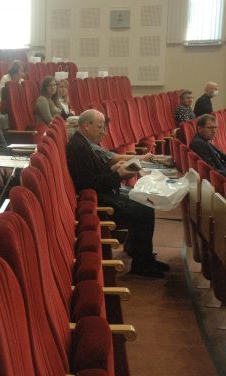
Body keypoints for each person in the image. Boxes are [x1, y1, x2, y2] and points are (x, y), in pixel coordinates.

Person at [66, 109, 169, 278]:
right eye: (100, 127)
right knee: (144, 208)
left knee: (143, 198)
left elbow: (95, 174)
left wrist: (114, 169)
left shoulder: (84, 143)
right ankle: (141, 263)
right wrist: (118, 175)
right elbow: (88, 184)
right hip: (98, 200)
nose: (104, 132)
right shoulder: (78, 147)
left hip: (102, 192)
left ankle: (138, 251)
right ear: (86, 125)